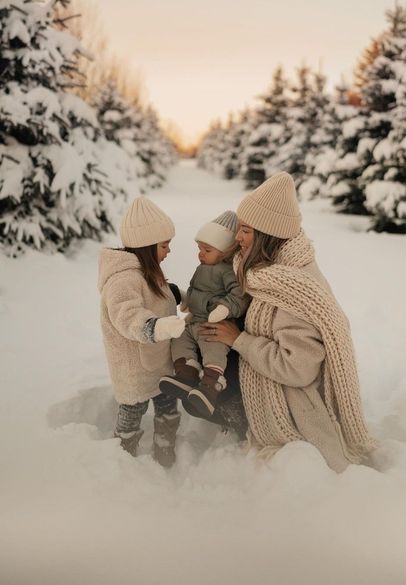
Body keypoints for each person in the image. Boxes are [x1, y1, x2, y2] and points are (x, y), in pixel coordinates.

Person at [199, 172, 377, 473]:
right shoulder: (265, 270)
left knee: (207, 366)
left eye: (245, 231)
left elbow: (298, 368)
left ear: (268, 235)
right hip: (267, 373)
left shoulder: (293, 289)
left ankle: (235, 417)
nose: (237, 238)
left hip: (293, 403)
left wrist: (238, 340)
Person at [98, 196, 185, 467]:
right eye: (164, 245)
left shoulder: (147, 270)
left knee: (168, 403)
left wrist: (183, 296)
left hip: (159, 361)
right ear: (147, 247)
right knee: (132, 411)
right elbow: (127, 315)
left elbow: (160, 294)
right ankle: (123, 454)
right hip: (135, 366)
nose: (168, 251)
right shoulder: (122, 279)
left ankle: (165, 445)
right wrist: (155, 326)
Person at [159, 211, 249, 417]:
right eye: (199, 248)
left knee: (212, 347)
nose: (200, 254)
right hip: (194, 322)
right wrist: (184, 298)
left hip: (214, 325)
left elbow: (239, 294)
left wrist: (224, 308)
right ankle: (186, 374)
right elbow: (197, 292)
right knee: (179, 340)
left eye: (207, 249)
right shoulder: (203, 267)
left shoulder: (227, 271)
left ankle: (212, 383)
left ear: (225, 251)